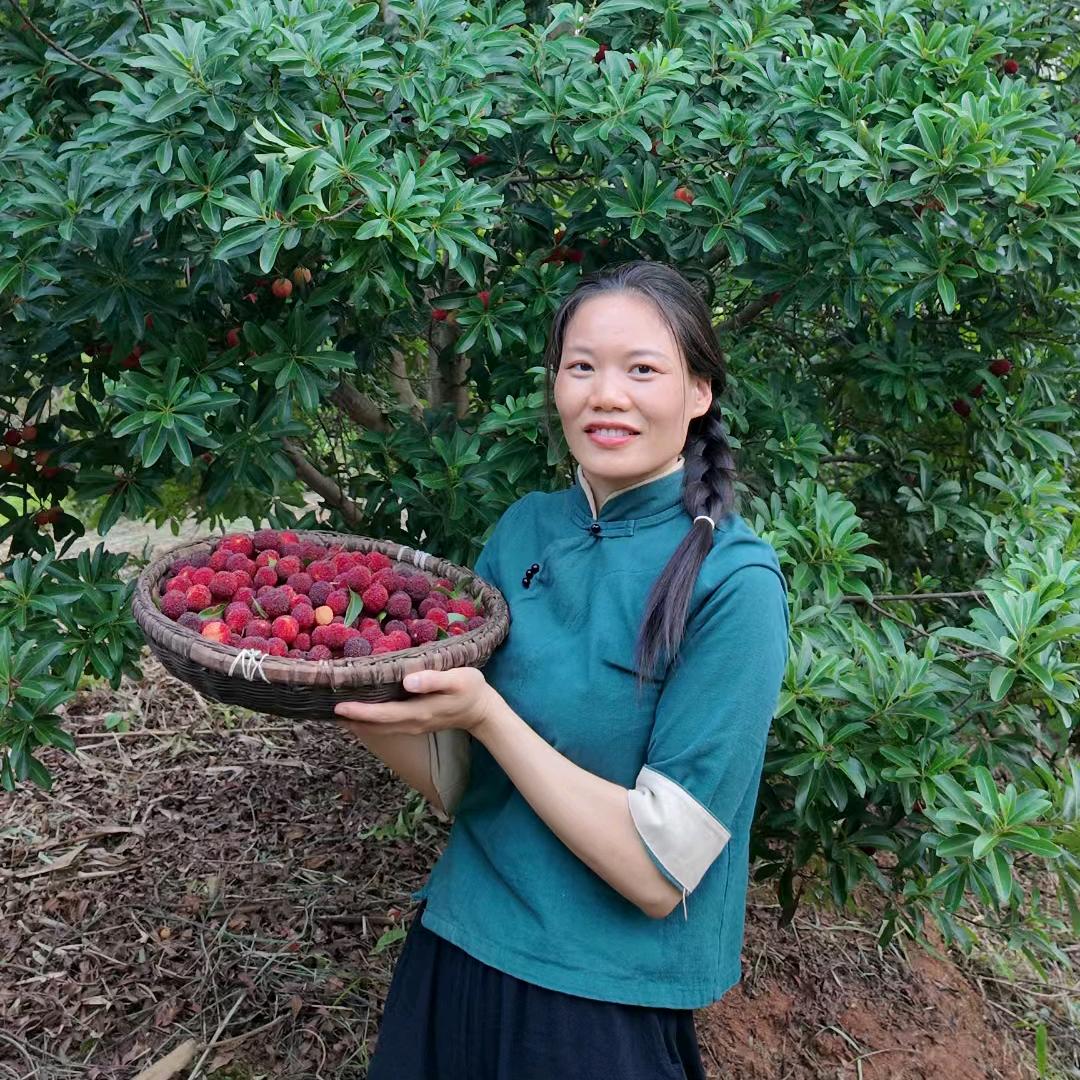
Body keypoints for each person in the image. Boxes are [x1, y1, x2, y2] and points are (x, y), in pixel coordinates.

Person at [334, 259, 791, 1079]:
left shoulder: (735, 584)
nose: (605, 395)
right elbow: (462, 783)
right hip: (456, 948)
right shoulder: (526, 530)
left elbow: (659, 872)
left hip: (595, 1007)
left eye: (642, 370)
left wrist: (485, 714)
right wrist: (341, 694)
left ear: (700, 392)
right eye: (580, 366)